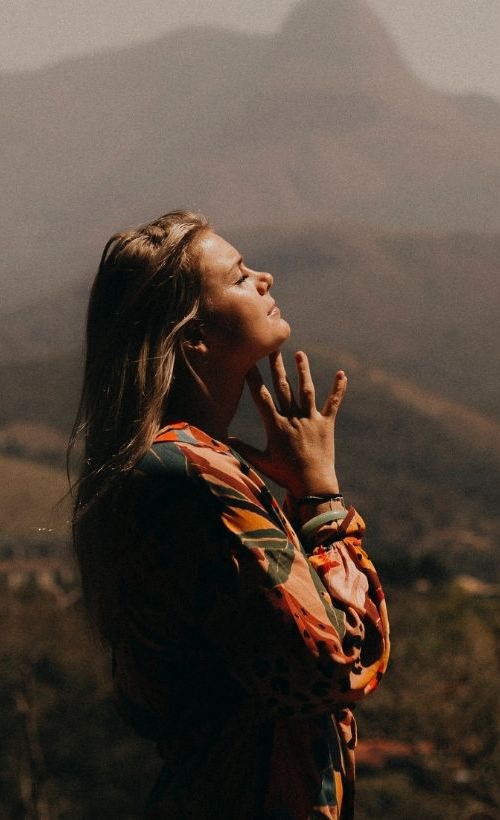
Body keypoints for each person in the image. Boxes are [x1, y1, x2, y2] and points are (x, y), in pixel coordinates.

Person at [71, 210, 391, 818]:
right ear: (193, 336)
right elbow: (340, 661)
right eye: (241, 277)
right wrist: (323, 499)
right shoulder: (189, 476)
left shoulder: (192, 467)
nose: (265, 278)